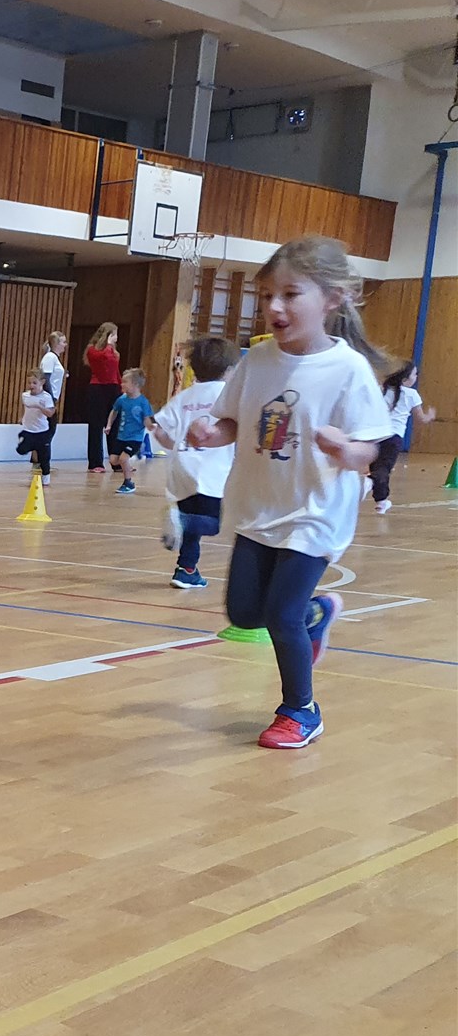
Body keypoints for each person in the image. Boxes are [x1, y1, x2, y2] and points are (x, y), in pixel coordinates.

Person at [187, 235, 391, 750]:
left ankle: (300, 710)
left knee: (279, 614)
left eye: (291, 294)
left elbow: (372, 449)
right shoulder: (257, 361)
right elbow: (233, 421)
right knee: (245, 613)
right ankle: (316, 615)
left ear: (332, 299)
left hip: (315, 513)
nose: (274, 307)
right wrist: (211, 433)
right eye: (267, 296)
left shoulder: (348, 370)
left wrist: (347, 449)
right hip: (259, 507)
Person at [151, 336, 239, 589]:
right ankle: (182, 520)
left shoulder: (185, 395)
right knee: (213, 523)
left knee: (191, 526)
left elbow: (161, 430)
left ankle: (186, 570)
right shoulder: (229, 395)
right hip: (212, 471)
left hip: (182, 468)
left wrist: (168, 441)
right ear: (229, 370)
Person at [374, 362, 437, 514]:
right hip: (393, 438)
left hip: (376, 435)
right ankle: (370, 487)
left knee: (377, 468)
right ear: (405, 379)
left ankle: (381, 502)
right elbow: (421, 419)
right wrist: (430, 416)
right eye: (414, 374)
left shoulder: (382, 390)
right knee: (383, 469)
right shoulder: (411, 394)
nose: (416, 377)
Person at [83, 322, 121, 473]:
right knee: (96, 426)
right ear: (108, 335)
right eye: (115, 334)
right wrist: (109, 345)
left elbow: (115, 372)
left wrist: (122, 388)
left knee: (115, 425)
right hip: (97, 389)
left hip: (113, 389)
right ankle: (95, 463)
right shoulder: (93, 350)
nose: (117, 338)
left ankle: (116, 461)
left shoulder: (113, 351)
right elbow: (103, 358)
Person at [107, 369, 153, 494]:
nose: (121, 384)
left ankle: (128, 483)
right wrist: (109, 425)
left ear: (135, 385)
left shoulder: (143, 402)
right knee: (113, 460)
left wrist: (150, 426)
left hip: (135, 438)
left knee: (123, 459)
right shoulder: (122, 400)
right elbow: (114, 411)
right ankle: (136, 455)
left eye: (125, 382)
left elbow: (147, 418)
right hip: (121, 436)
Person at [14, 371, 55, 483]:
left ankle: (46, 478)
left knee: (44, 458)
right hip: (28, 430)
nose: (31, 385)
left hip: (42, 432)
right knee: (21, 450)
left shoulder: (46, 397)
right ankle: (33, 446)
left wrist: (40, 407)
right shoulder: (25, 395)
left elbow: (50, 413)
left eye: (34, 383)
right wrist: (22, 418)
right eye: (29, 383)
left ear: (42, 382)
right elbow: (25, 408)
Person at [39, 331, 67, 455]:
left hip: (51, 397)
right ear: (56, 343)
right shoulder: (50, 357)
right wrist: (49, 398)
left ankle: (39, 458)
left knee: (48, 428)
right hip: (48, 397)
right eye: (63, 342)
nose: (65, 345)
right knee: (49, 428)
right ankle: (41, 459)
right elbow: (45, 378)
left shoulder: (54, 358)